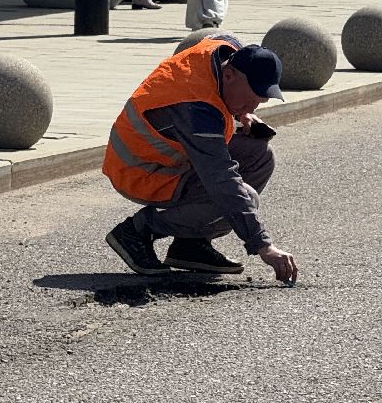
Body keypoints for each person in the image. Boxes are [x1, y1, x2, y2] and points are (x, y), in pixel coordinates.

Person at [103, 32, 298, 283]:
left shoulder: (227, 52)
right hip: (140, 169)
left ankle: (190, 245)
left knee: (259, 156)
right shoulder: (196, 107)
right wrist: (263, 245)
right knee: (240, 195)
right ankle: (137, 230)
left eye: (257, 103)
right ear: (229, 76)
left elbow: (219, 36)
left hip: (173, 155)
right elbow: (222, 182)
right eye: (250, 100)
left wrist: (240, 114)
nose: (252, 109)